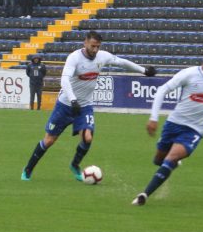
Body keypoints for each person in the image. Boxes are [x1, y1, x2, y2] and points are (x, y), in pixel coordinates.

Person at [21, 31, 156, 181]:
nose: (95, 50)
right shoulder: (74, 58)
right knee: (49, 140)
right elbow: (64, 81)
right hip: (66, 105)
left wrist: (144, 70)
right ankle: (28, 169)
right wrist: (73, 100)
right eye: (93, 46)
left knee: (87, 138)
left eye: (98, 46)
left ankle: (75, 165)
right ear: (85, 43)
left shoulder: (102, 56)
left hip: (84, 105)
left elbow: (121, 62)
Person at [131, 46, 203, 206]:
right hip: (174, 124)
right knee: (158, 160)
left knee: (171, 158)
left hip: (194, 130)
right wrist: (153, 118)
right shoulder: (189, 74)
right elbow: (162, 90)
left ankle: (144, 195)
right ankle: (170, 164)